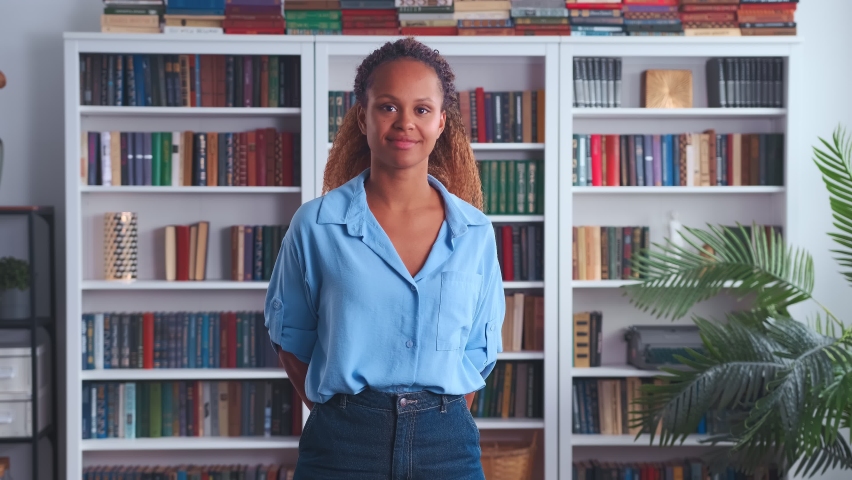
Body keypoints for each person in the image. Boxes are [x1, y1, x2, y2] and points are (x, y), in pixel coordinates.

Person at [264, 37, 505, 479]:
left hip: (446, 448)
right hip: (342, 445)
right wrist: (346, 415)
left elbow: (477, 352)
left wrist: (433, 414)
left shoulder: (474, 233)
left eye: (421, 109)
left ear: (440, 123)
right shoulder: (315, 225)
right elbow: (291, 338)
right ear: (363, 116)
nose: (405, 123)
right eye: (388, 107)